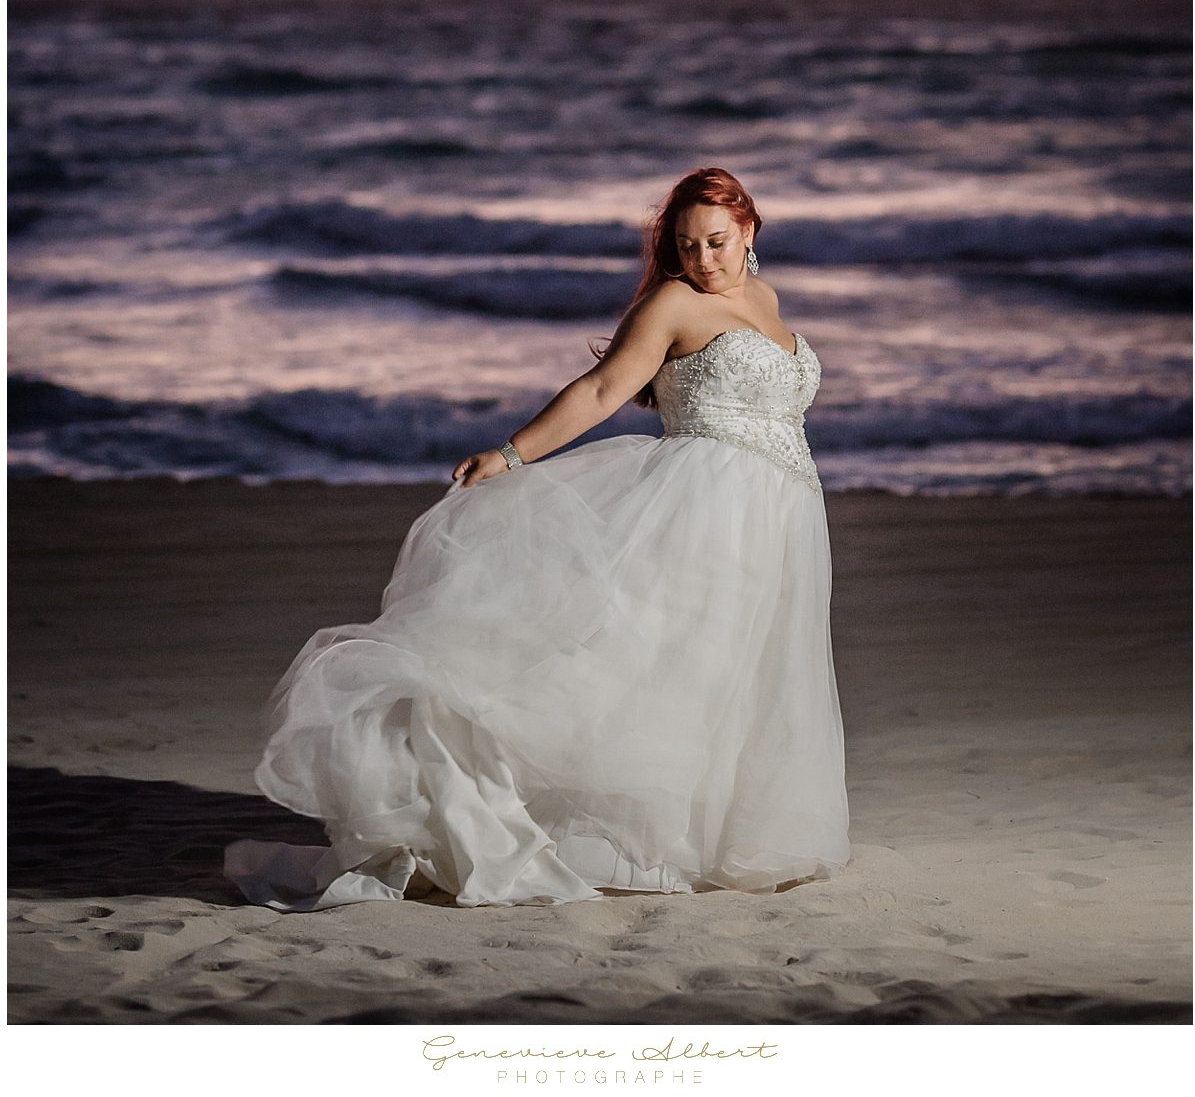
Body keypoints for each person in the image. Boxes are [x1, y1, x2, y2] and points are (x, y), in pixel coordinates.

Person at [223, 165, 851, 909]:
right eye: (686, 246)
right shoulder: (673, 303)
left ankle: (714, 836)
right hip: (702, 505)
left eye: (716, 241)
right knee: (657, 666)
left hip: (781, 515)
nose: (702, 260)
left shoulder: (766, 298)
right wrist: (513, 453)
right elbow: (599, 391)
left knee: (741, 673)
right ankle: (600, 834)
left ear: (748, 229)